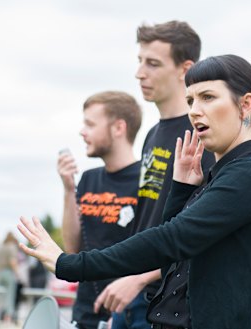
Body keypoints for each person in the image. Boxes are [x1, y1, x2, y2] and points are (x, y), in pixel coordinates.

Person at [17, 54, 251, 329]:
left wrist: (71, 265)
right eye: (191, 100)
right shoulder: (216, 177)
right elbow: (172, 255)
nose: (194, 110)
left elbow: (171, 239)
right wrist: (181, 190)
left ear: (245, 105)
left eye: (208, 97)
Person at [94, 21, 215, 329]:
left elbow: (202, 235)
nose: (140, 73)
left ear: (184, 69)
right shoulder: (151, 134)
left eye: (153, 63)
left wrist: (140, 278)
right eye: (139, 62)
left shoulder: (202, 136)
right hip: (130, 296)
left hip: (167, 301)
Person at [58, 91, 142, 329]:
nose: (82, 132)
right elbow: (73, 249)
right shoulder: (88, 179)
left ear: (118, 128)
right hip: (85, 313)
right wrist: (68, 190)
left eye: (90, 124)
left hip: (129, 315)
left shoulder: (147, 181)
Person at [0, 232, 20, 323]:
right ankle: (7, 317)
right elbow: (12, 261)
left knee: (0, 295)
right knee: (10, 295)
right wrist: (17, 273)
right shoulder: (11, 247)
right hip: (8, 273)